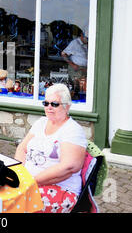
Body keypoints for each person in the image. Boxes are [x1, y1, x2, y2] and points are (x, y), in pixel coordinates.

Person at [15, 83, 87, 213]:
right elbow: (22, 149)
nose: (49, 107)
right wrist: (19, 174)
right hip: (29, 182)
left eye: (54, 104)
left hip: (61, 189)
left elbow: (68, 167)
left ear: (67, 106)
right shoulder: (41, 122)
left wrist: (31, 182)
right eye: (46, 103)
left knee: (17, 203)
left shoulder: (72, 130)